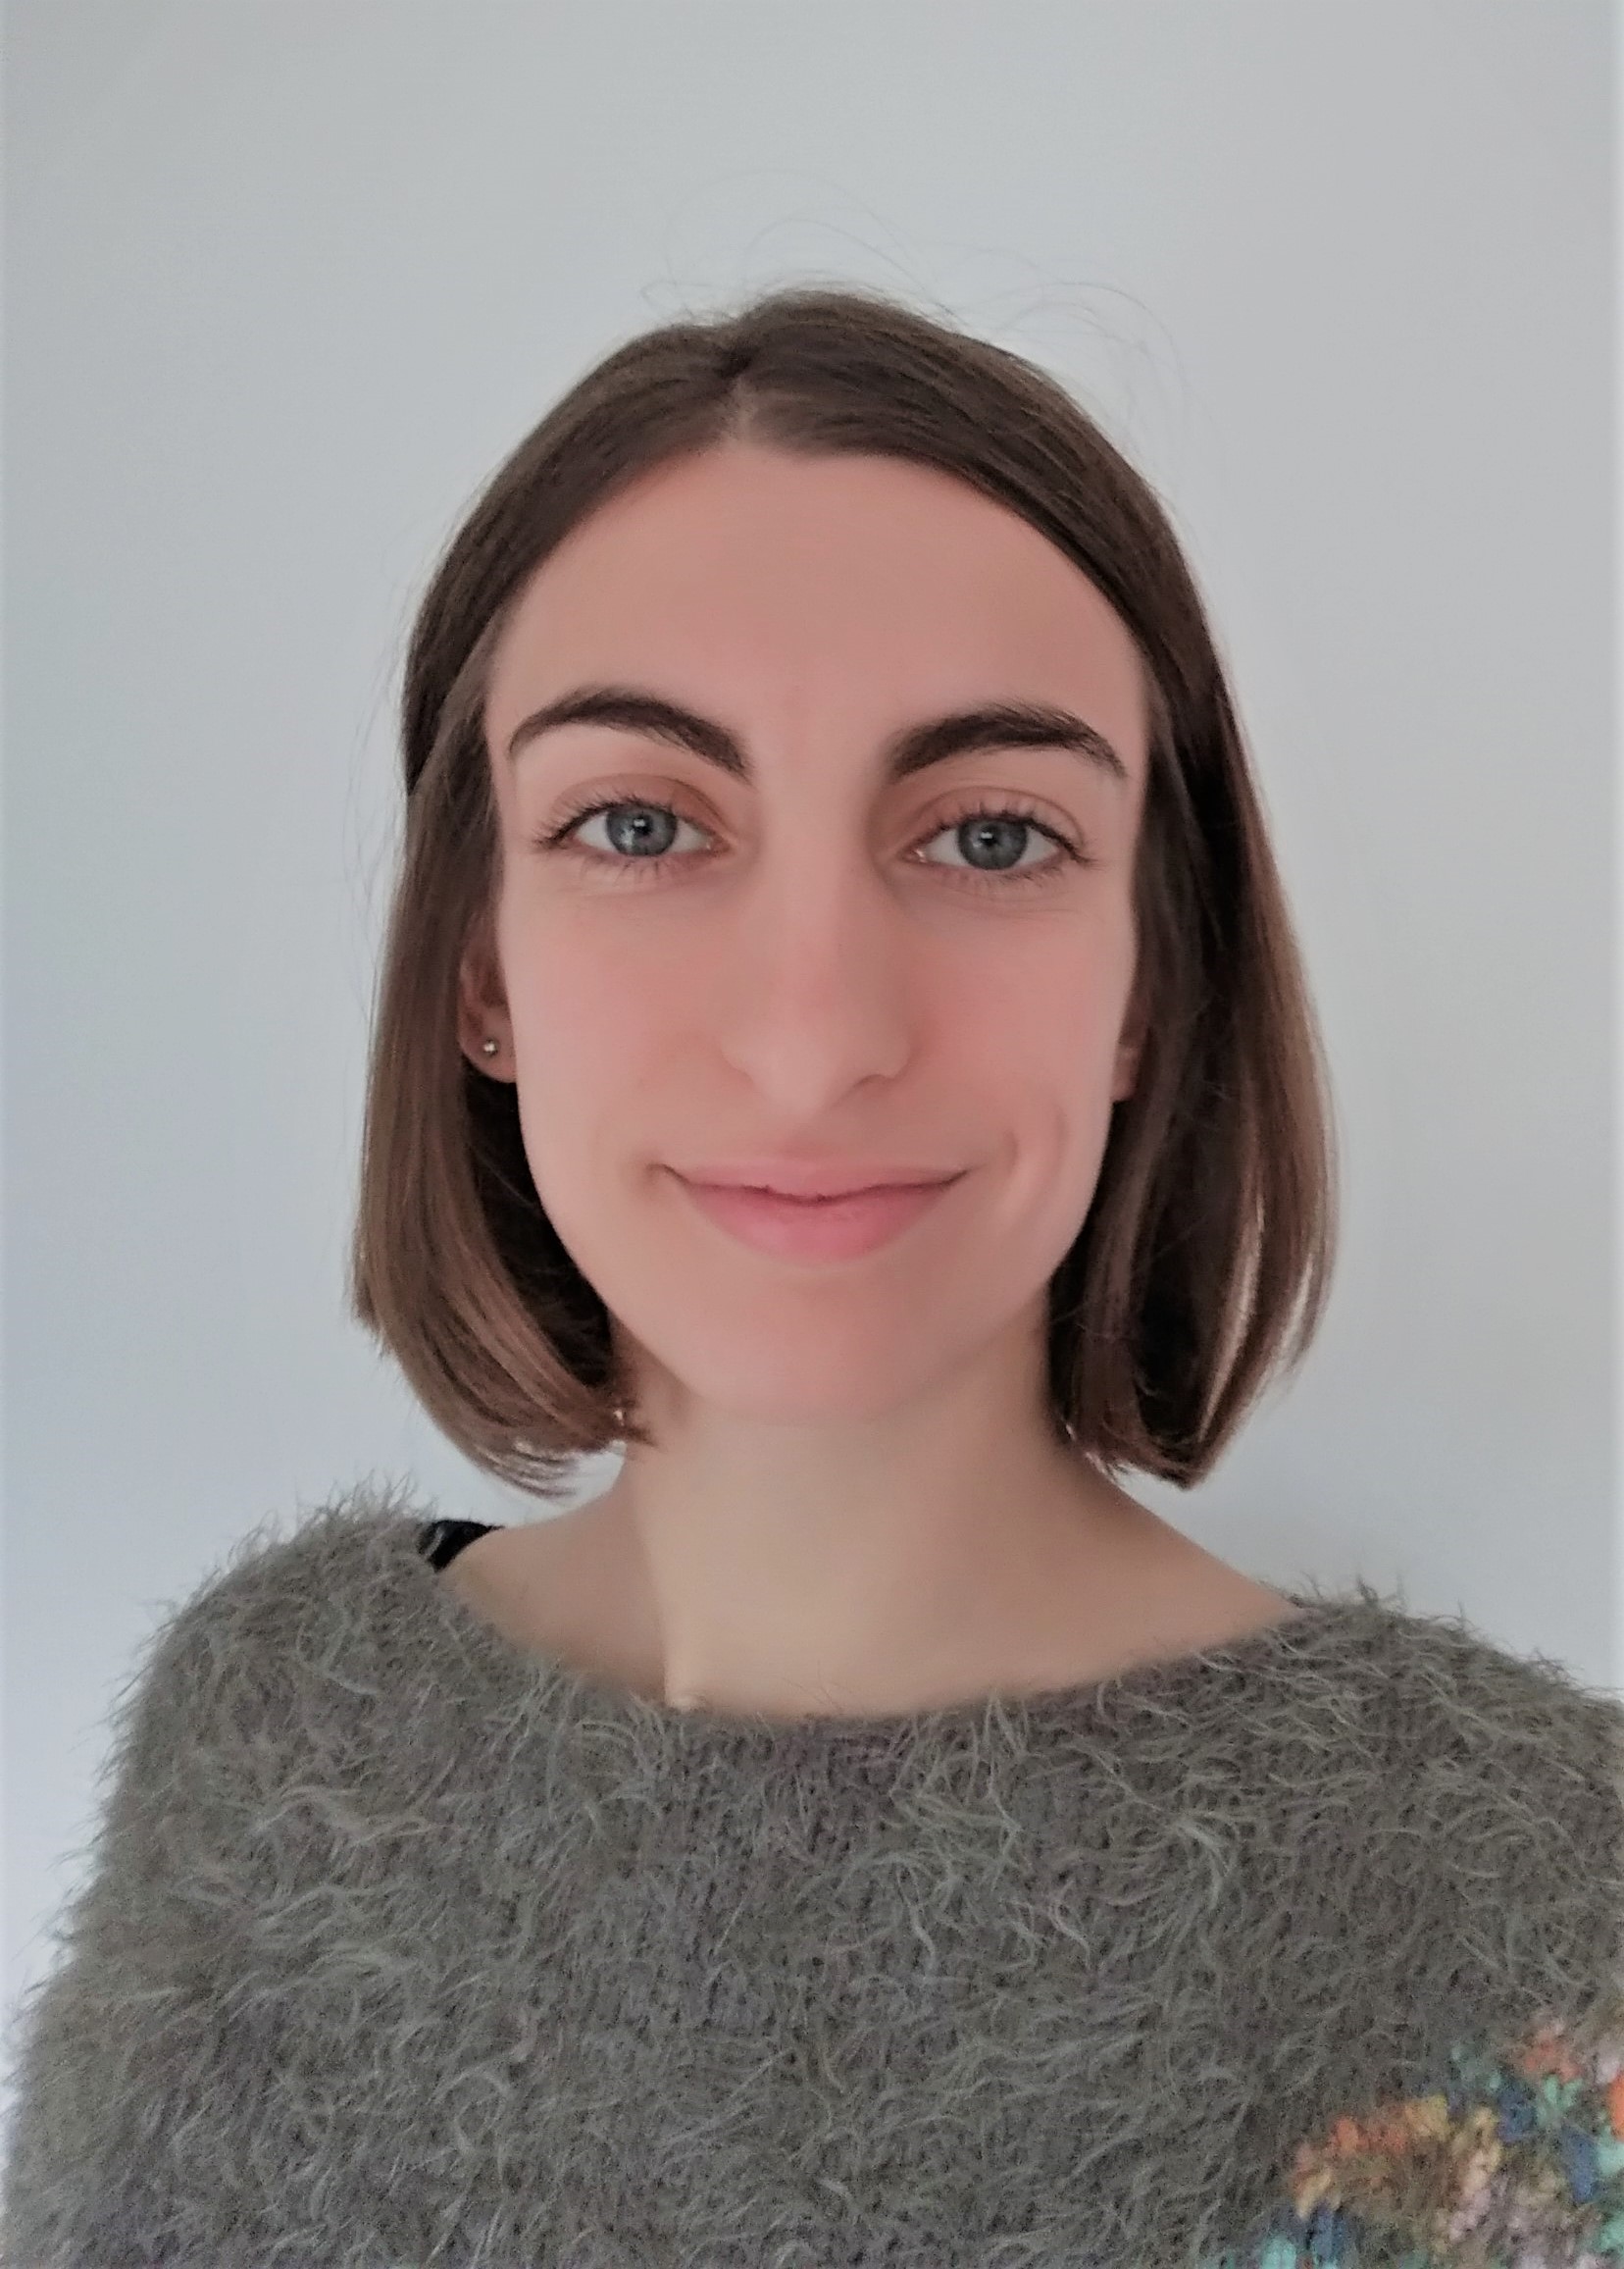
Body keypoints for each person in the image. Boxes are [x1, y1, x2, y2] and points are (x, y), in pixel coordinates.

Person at [4, 284, 1621, 2267]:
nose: (814, 1034)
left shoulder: (1544, 1916)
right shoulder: (259, 1737)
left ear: (1150, 977)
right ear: (479, 966)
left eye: (993, 836)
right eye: (639, 821)